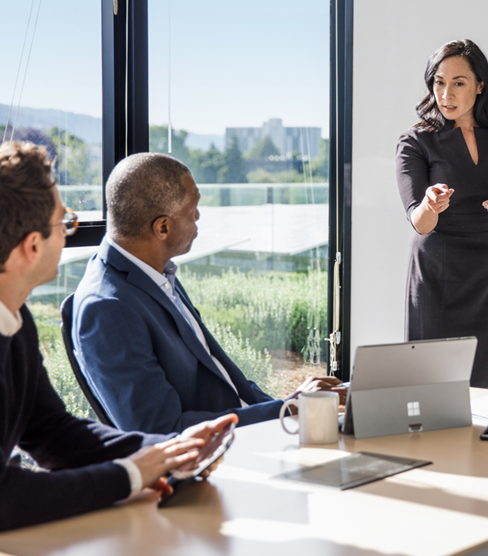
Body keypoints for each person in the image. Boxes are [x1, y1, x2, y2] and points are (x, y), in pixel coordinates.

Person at [0, 142, 236, 535]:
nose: (69, 233)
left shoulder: (12, 320)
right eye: (63, 222)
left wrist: (167, 451)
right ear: (32, 246)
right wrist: (129, 476)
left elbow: (52, 433)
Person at [72, 153, 344, 435]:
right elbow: (162, 430)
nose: (199, 216)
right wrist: (286, 410)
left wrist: (288, 408)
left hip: (250, 434)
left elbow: (223, 378)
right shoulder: (107, 307)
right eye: (193, 208)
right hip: (222, 457)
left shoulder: (156, 274)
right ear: (162, 227)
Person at [395, 39, 488, 389]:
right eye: (439, 82)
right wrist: (430, 204)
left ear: (480, 86)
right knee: (432, 387)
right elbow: (419, 222)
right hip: (438, 275)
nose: (446, 93)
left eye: (458, 83)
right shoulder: (415, 141)